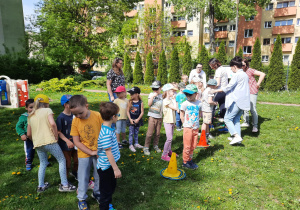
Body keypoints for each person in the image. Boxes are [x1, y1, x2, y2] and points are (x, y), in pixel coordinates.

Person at [27, 94, 76, 193]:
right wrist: (56, 136)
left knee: (43, 163)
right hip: (50, 141)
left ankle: (41, 186)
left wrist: (34, 141)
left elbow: (28, 134)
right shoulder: (47, 110)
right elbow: (53, 124)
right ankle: (65, 185)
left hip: (38, 144)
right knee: (62, 160)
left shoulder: (31, 114)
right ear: (46, 104)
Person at [69, 95, 103, 210]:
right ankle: (82, 199)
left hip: (99, 152)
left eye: (80, 113)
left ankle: (97, 193)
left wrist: (100, 150)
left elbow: (105, 132)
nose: (78, 116)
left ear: (87, 106)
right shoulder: (75, 121)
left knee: (99, 175)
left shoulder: (98, 115)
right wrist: (90, 152)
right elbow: (76, 142)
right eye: (75, 114)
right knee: (83, 177)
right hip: (83, 153)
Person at [210, 56, 250, 145]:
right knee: (236, 119)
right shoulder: (244, 74)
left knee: (227, 119)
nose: (231, 70)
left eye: (231, 68)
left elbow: (228, 87)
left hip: (237, 101)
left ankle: (236, 136)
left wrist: (215, 90)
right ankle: (238, 139)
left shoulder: (237, 75)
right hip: (244, 101)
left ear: (235, 66)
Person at [97, 102, 121, 210]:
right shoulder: (106, 133)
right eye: (118, 115)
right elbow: (108, 152)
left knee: (111, 187)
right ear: (113, 117)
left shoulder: (108, 128)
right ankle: (104, 207)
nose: (118, 117)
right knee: (106, 191)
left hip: (108, 165)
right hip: (106, 167)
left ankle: (108, 205)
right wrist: (115, 169)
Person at [241, 59, 266, 132]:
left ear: (246, 65)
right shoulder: (240, 71)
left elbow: (262, 74)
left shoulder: (250, 70)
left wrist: (258, 84)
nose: (242, 66)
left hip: (252, 91)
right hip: (244, 92)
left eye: (243, 65)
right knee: (244, 108)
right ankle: (246, 122)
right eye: (241, 65)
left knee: (252, 109)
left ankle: (255, 126)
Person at [56, 94, 78, 179]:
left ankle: (75, 172)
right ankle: (65, 178)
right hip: (65, 145)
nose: (74, 104)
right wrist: (67, 141)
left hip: (76, 143)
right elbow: (59, 132)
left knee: (77, 160)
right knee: (67, 163)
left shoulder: (75, 115)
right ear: (65, 105)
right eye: (71, 102)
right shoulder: (60, 118)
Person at [180, 84, 201, 170]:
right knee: (187, 146)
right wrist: (185, 124)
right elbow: (181, 115)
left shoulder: (199, 103)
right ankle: (185, 162)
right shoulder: (185, 104)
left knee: (193, 145)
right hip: (187, 128)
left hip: (195, 127)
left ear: (196, 94)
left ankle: (190, 159)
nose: (188, 96)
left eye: (190, 94)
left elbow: (200, 113)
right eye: (186, 94)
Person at [143, 81, 163, 156]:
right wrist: (152, 97)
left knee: (157, 133)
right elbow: (149, 104)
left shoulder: (162, 96)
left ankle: (155, 145)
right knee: (150, 133)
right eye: (153, 89)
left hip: (159, 117)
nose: (155, 90)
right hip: (152, 116)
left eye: (156, 89)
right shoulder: (151, 94)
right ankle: (146, 147)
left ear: (160, 88)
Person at [16, 99, 35, 171]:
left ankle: (44, 161)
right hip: (28, 138)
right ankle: (29, 162)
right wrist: (22, 134)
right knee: (29, 150)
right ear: (26, 108)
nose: (33, 109)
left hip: (38, 136)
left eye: (35, 107)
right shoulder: (23, 117)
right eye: (31, 107)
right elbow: (18, 126)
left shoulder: (38, 116)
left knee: (42, 149)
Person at [161, 84, 178, 161]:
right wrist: (175, 100)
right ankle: (164, 154)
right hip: (167, 122)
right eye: (172, 91)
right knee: (169, 138)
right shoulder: (165, 101)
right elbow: (175, 108)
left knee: (170, 138)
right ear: (167, 92)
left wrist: (174, 122)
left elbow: (173, 112)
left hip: (171, 121)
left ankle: (169, 151)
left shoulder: (170, 100)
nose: (174, 92)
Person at [209, 58, 228, 122]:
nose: (211, 67)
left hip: (218, 90)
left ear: (214, 64)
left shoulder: (218, 71)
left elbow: (217, 83)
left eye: (211, 66)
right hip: (224, 90)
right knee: (222, 105)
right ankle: (224, 121)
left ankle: (210, 121)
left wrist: (210, 87)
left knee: (212, 105)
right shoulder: (223, 68)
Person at [126, 87, 144, 152]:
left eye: (132, 94)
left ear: (137, 94)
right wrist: (130, 119)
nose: (130, 95)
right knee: (131, 133)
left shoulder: (140, 102)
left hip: (137, 120)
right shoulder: (129, 102)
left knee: (136, 132)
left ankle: (136, 143)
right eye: (130, 94)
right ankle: (131, 145)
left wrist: (138, 119)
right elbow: (127, 111)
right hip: (131, 120)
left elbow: (142, 112)